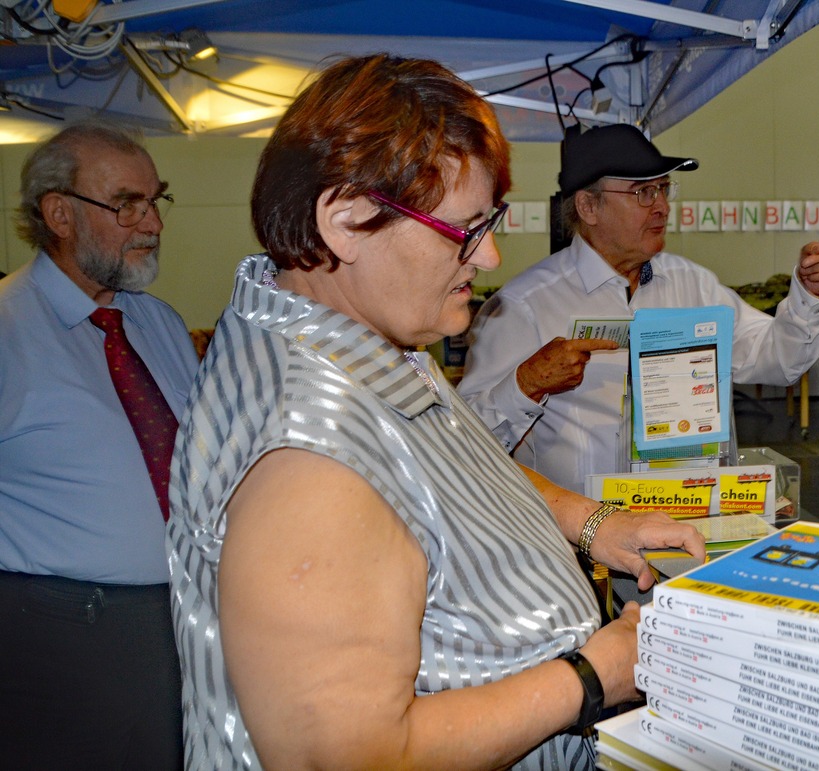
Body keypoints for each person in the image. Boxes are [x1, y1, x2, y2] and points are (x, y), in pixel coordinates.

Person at [167, 55, 704, 769]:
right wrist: (589, 676)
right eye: (464, 229)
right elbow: (350, 757)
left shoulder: (365, 333)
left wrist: (592, 522)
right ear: (345, 220)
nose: (489, 256)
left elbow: (463, 468)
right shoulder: (308, 464)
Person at [458, 123, 819, 493]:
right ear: (588, 207)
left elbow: (779, 359)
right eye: (643, 192)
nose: (663, 207)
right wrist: (526, 384)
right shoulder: (522, 307)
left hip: (691, 523)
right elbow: (466, 443)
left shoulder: (693, 285)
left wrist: (810, 293)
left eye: (665, 189)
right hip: (582, 549)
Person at [0, 122, 193, 768]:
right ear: (59, 213)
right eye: (126, 204)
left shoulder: (155, 321)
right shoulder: (7, 331)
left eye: (155, 200)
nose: (152, 224)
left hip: (181, 622)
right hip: (65, 635)